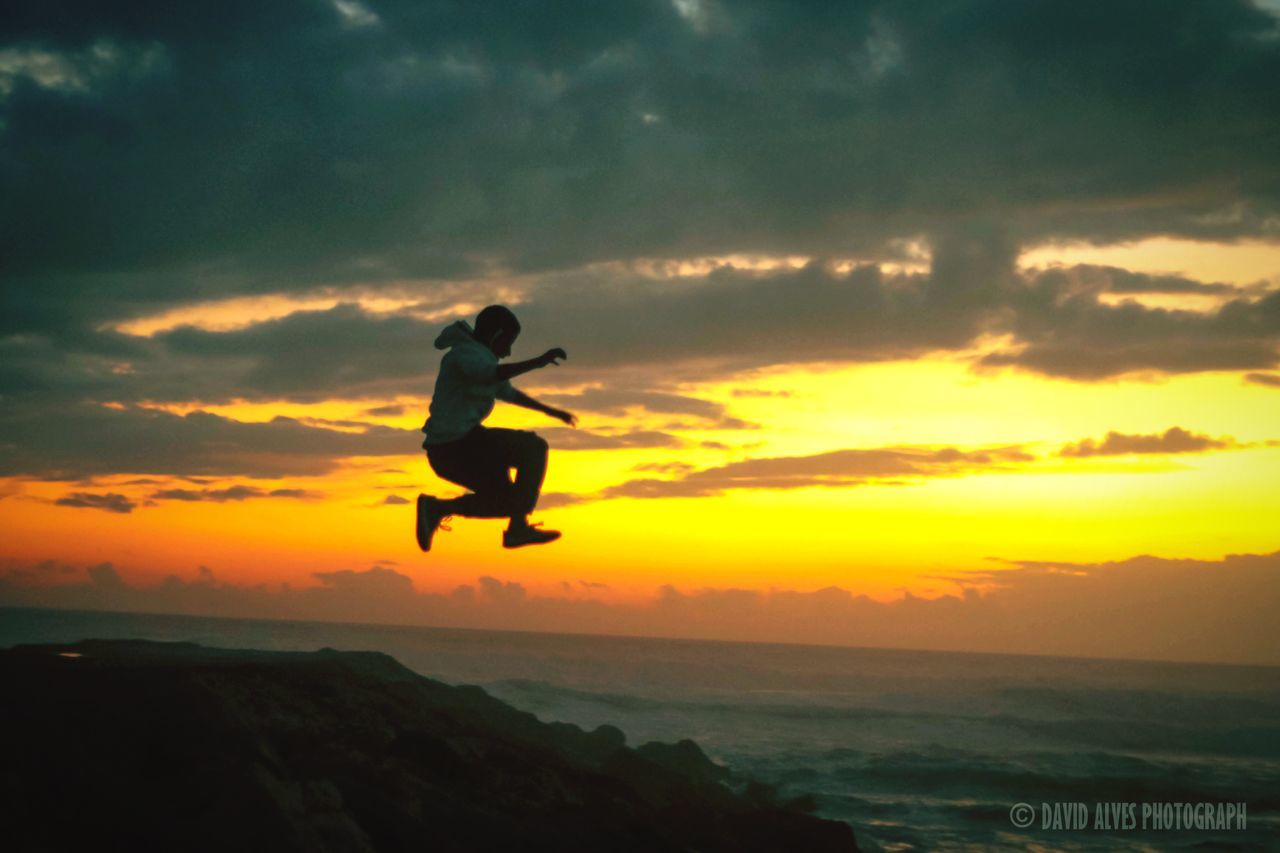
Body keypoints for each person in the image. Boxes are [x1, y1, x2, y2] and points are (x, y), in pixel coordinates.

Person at [416, 305, 577, 551]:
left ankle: (438, 508)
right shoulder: (464, 355)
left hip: (456, 451)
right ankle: (518, 528)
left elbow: (507, 391)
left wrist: (551, 411)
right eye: (508, 342)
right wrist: (539, 361)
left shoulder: (481, 357)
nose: (509, 351)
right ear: (496, 335)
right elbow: (491, 374)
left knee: (510, 501)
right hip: (455, 447)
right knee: (533, 448)